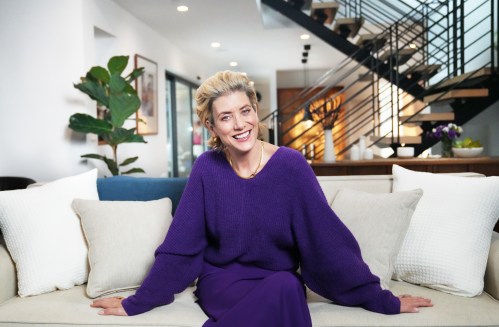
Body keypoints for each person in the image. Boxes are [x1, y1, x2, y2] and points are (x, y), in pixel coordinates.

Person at [91, 70, 432, 325]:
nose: (239, 124)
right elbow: (182, 245)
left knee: (285, 286)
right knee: (285, 294)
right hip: (222, 282)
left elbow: (325, 239)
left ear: (256, 111)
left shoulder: (290, 165)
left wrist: (380, 298)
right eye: (226, 117)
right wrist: (139, 301)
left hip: (277, 280)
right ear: (212, 127)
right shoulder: (207, 169)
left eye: (245, 111)